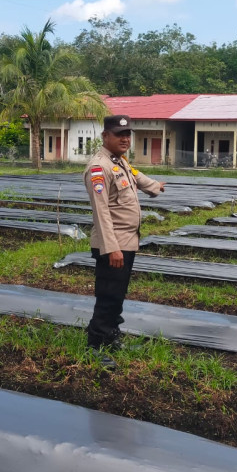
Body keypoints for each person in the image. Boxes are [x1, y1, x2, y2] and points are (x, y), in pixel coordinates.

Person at [84, 114, 165, 369]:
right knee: (108, 296)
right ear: (105, 136)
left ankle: (111, 336)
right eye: (120, 135)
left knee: (117, 295)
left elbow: (135, 176)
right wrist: (112, 249)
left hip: (127, 242)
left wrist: (154, 186)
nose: (125, 139)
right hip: (114, 245)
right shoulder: (99, 167)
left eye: (128, 134)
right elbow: (101, 212)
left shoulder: (119, 162)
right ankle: (95, 346)